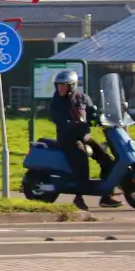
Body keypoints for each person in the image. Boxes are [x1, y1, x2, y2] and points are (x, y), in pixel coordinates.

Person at [49, 69, 121, 209]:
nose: (60, 88)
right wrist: (75, 124)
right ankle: (78, 198)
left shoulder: (82, 97)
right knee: (81, 162)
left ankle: (106, 196)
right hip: (68, 139)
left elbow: (92, 111)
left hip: (84, 136)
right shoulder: (56, 102)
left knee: (107, 160)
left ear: (72, 85)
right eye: (58, 85)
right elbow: (60, 121)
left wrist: (102, 118)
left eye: (63, 85)